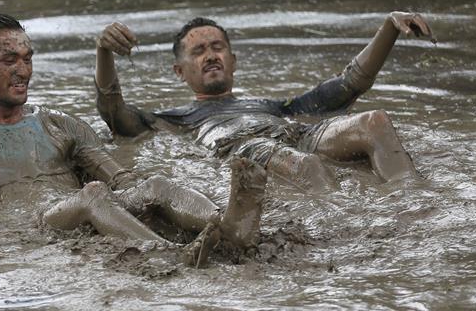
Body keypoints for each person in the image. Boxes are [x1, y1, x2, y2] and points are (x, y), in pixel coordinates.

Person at [0, 13, 265, 266]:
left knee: (157, 185)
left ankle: (229, 224)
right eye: (9, 60)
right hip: (35, 224)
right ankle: (170, 256)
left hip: (91, 207)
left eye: (27, 58)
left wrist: (147, 200)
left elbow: (120, 178)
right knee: (92, 195)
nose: (23, 70)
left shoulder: (60, 123)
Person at [94, 12, 435, 192]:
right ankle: (349, 235)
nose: (210, 56)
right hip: (242, 145)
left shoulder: (278, 106)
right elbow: (113, 113)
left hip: (294, 131)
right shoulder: (170, 120)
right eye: (198, 51)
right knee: (306, 166)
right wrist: (104, 51)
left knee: (373, 120)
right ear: (180, 71)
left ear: (233, 60)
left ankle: (415, 202)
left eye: (217, 47)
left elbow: (350, 83)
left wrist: (390, 26)